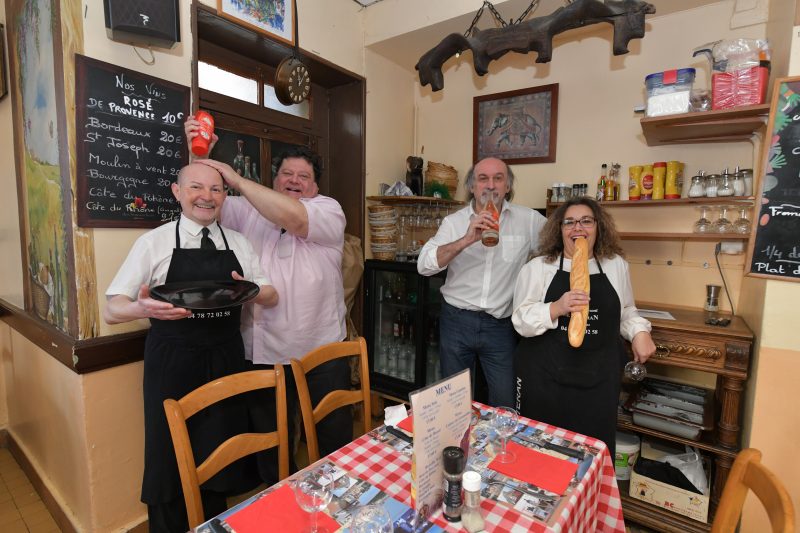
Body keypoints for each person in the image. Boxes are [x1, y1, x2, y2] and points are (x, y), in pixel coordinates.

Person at [104, 163, 278, 533]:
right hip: (173, 358)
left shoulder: (239, 243)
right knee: (168, 452)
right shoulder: (154, 242)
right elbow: (112, 308)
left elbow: (271, 295)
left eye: (216, 189)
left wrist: (250, 289)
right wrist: (141, 308)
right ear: (177, 192)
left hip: (226, 356)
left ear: (224, 197)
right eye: (196, 187)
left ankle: (212, 524)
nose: (207, 196)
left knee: (219, 449)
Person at [184, 117, 351, 483]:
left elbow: (294, 217)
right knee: (271, 447)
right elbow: (201, 198)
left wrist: (239, 179)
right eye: (286, 174)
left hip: (321, 349)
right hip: (261, 351)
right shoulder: (247, 210)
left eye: (302, 176)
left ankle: (339, 503)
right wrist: (202, 154)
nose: (293, 180)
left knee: (333, 440)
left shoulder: (328, 209)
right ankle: (281, 507)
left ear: (316, 186)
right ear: (274, 181)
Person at [511, 197, 655, 456]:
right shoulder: (538, 268)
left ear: (599, 227)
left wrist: (640, 332)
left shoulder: (615, 266)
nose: (578, 228)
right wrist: (556, 307)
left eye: (586, 221)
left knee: (591, 452)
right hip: (544, 377)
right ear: (560, 229)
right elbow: (520, 320)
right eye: (570, 222)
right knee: (541, 450)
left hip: (598, 378)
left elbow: (626, 310)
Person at [417, 157, 546, 407]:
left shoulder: (529, 220)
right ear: (472, 186)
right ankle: (458, 446)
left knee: (505, 403)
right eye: (482, 178)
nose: (490, 186)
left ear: (507, 186)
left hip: (500, 326)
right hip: (456, 322)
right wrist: (466, 239)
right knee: (454, 402)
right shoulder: (453, 223)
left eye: (498, 178)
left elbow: (559, 249)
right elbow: (424, 265)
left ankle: (498, 447)